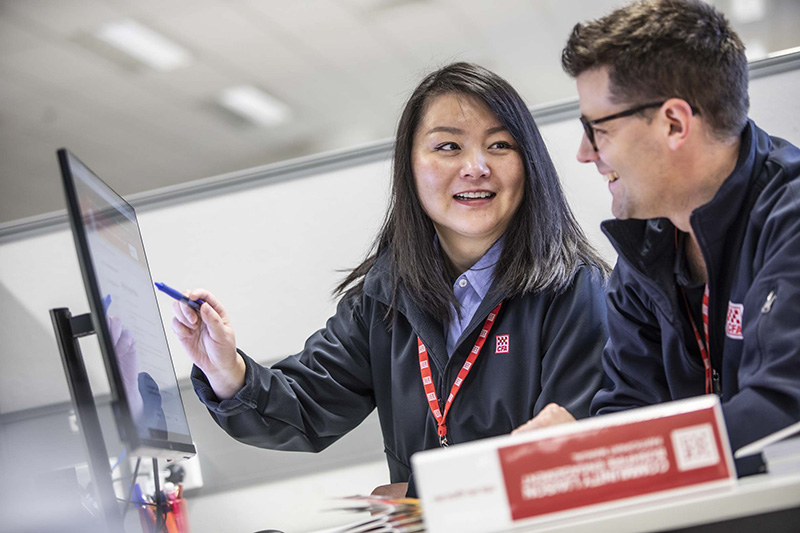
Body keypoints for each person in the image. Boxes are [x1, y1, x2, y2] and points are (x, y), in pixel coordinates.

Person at [170, 62, 610, 497]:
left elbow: (565, 460)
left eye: (499, 145)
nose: (476, 167)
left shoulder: (575, 292)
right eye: (448, 147)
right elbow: (304, 408)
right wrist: (225, 368)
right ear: (410, 167)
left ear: (528, 164)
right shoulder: (385, 298)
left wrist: (419, 498)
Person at [517, 0, 800, 475]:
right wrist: (588, 444)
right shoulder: (645, 252)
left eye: (597, 128)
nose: (585, 153)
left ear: (674, 123)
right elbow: (630, 408)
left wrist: (604, 451)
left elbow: (781, 415)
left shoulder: (790, 219)